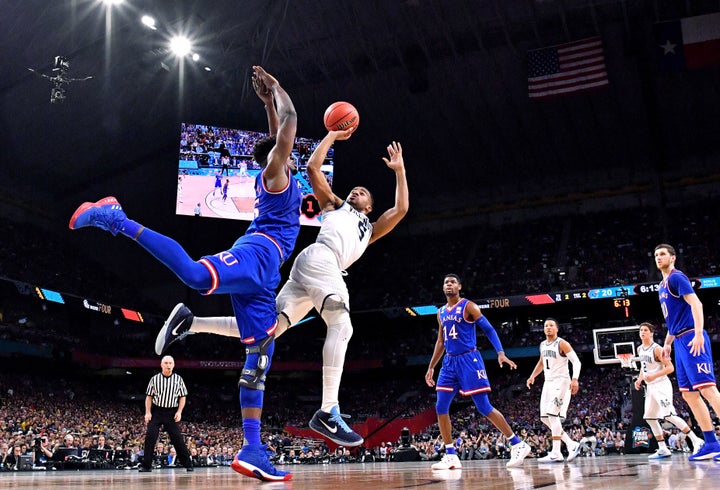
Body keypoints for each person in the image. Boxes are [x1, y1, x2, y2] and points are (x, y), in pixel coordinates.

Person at [69, 65, 300, 482]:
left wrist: (266, 102)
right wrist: (279, 89)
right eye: (282, 149)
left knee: (260, 350)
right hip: (259, 253)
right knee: (195, 276)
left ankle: (253, 449)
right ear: (276, 157)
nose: (287, 149)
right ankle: (116, 218)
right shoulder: (273, 174)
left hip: (269, 271)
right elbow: (291, 122)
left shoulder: (278, 170)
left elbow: (278, 131)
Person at [155, 132, 408, 447]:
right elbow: (314, 167)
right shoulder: (334, 205)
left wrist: (399, 171)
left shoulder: (369, 231)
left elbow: (399, 210)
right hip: (321, 258)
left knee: (268, 329)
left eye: (364, 192)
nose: (357, 190)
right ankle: (329, 410)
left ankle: (190, 323)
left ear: (369, 207)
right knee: (342, 325)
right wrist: (331, 136)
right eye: (354, 189)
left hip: (313, 271)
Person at [424, 274, 531, 470]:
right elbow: (441, 341)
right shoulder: (440, 312)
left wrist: (500, 353)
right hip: (449, 362)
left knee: (483, 407)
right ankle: (450, 455)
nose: (449, 284)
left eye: (452, 282)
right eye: (446, 282)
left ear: (459, 286)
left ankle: (518, 443)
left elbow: (489, 329)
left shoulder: (468, 306)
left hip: (469, 359)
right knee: (440, 406)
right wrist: (431, 366)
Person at [654, 243, 720, 461]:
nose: (658, 257)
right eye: (656, 255)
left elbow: (696, 304)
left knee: (708, 389)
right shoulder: (662, 285)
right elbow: (674, 320)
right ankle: (711, 443)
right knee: (689, 394)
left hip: (692, 337)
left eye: (662, 254)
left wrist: (699, 333)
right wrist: (667, 343)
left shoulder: (676, 277)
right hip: (679, 340)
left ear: (673, 258)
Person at [633, 321, 704, 459]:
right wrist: (640, 379)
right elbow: (644, 366)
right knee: (650, 418)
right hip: (651, 388)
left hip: (661, 385)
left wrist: (653, 376)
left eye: (645, 330)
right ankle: (663, 448)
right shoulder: (640, 349)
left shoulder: (657, 349)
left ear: (651, 333)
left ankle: (696, 440)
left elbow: (670, 368)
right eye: (641, 330)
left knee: (669, 415)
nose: (642, 332)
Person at [525, 318, 582, 463]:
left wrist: (575, 379)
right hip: (548, 382)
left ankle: (556, 452)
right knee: (544, 418)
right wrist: (532, 376)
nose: (548, 328)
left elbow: (576, 361)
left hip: (561, 381)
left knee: (552, 415)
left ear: (557, 329)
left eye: (551, 325)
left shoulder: (562, 343)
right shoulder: (543, 344)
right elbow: (541, 362)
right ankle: (571, 444)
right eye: (546, 326)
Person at [138, 356, 193, 473]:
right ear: (161, 365)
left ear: (173, 365)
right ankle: (146, 465)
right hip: (157, 411)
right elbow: (149, 397)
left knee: (177, 439)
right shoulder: (155, 379)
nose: (168, 365)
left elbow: (182, 397)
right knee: (150, 437)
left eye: (170, 363)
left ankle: (188, 464)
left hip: (171, 412)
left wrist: (179, 411)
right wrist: (147, 412)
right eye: (166, 363)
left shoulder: (178, 379)